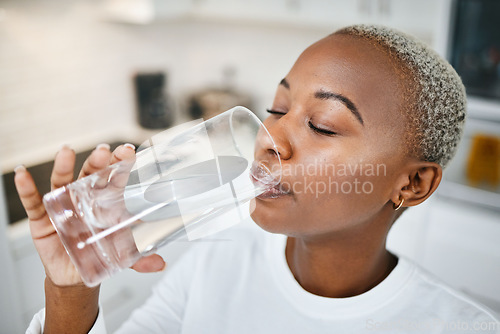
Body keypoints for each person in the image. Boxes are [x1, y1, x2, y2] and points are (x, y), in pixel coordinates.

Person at [17, 25, 500, 333]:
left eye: (324, 125)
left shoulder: (461, 327)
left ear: (412, 184)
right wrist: (70, 292)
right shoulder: (215, 263)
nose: (271, 137)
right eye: (278, 108)